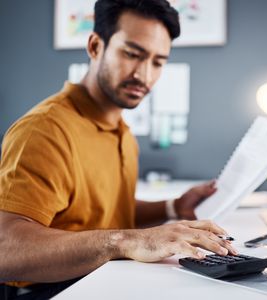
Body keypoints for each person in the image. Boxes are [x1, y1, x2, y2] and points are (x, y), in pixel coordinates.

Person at [0, 0, 237, 298]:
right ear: (96, 46)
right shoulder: (45, 130)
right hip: (48, 290)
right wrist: (123, 241)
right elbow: (5, 250)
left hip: (105, 277)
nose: (145, 75)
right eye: (132, 54)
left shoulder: (123, 132)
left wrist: (173, 207)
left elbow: (105, 211)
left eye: (158, 61)